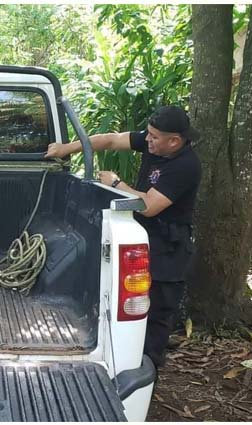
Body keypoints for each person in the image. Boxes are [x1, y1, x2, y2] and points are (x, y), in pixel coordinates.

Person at [45, 105, 202, 369]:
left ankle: (145, 370)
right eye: (148, 134)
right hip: (144, 237)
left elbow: (150, 206)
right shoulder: (155, 142)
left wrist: (117, 185)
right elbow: (111, 139)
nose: (147, 139)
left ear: (174, 141)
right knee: (126, 302)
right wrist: (65, 148)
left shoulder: (185, 165)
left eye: (154, 137)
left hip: (169, 247)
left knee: (155, 313)